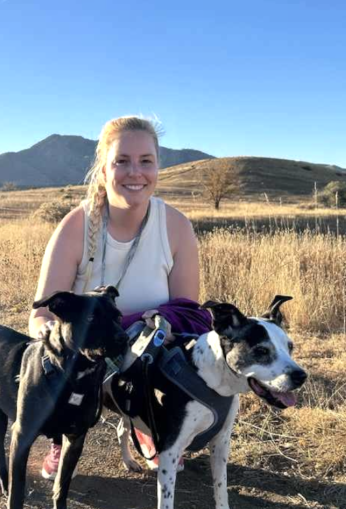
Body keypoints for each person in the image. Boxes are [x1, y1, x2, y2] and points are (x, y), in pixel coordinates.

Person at [28, 115, 212, 479]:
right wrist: (59, 346)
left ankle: (152, 425)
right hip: (84, 356)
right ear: (103, 170)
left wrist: (145, 329)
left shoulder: (176, 226)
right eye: (122, 161)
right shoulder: (75, 226)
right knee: (47, 348)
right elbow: (40, 316)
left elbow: (189, 313)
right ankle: (61, 431)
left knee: (188, 351)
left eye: (146, 161)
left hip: (149, 354)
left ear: (158, 167)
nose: (135, 172)